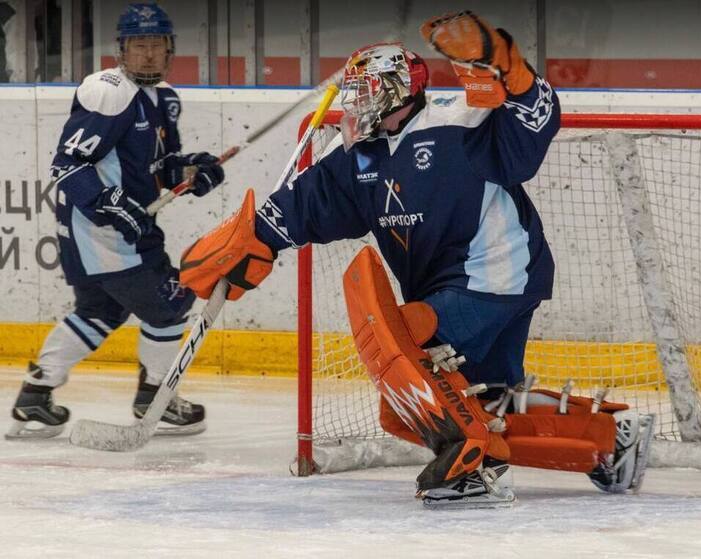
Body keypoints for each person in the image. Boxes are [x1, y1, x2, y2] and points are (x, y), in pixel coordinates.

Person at [179, 12, 653, 508]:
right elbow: (306, 203)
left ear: (398, 89)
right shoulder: (361, 157)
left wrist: (506, 66)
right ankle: (610, 440)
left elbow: (531, 122)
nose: (356, 102)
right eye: (354, 92)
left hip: (495, 276)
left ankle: (476, 470)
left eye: (367, 90)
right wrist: (252, 241)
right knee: (475, 399)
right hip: (468, 284)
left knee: (407, 338)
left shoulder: (458, 123)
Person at [6, 3, 225, 440]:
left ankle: (36, 394)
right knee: (170, 305)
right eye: (138, 44)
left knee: (99, 311)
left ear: (170, 49)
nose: (147, 53)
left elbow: (157, 167)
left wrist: (191, 173)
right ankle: (154, 399)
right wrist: (109, 203)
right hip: (102, 233)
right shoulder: (109, 91)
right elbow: (68, 164)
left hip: (111, 231)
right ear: (121, 50)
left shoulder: (164, 99)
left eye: (155, 44)